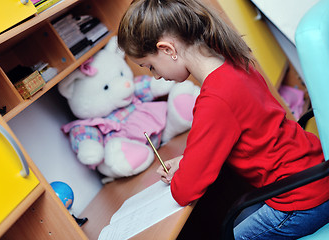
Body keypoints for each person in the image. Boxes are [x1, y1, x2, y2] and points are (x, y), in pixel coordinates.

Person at [117, 0, 329, 239]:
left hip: (302, 200)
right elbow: (242, 134)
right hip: (315, 172)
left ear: (168, 50)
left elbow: (185, 191)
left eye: (151, 67)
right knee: (237, 216)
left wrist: (181, 176)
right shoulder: (234, 63)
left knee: (234, 235)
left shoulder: (215, 100)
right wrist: (188, 162)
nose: (155, 77)